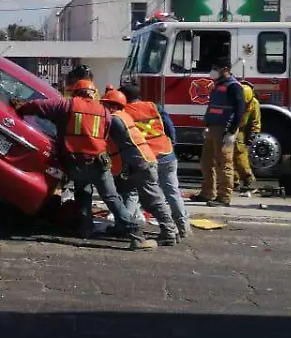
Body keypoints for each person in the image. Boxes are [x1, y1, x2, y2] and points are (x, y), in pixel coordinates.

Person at [14, 80, 155, 250]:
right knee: (112, 199)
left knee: (83, 193)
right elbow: (106, 135)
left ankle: (85, 228)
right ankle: (136, 237)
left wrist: (21, 107)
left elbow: (38, 106)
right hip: (99, 164)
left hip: (75, 163)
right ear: (92, 93)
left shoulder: (65, 105)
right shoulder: (104, 111)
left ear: (76, 92)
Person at [101, 88, 179, 246]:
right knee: (127, 193)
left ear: (114, 106)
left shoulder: (115, 119)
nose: (104, 108)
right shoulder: (122, 116)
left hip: (142, 163)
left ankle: (170, 232)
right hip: (139, 162)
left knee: (152, 201)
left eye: (107, 104)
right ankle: (122, 226)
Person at [120, 84, 190, 238]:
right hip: (166, 153)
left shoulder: (124, 112)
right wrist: (171, 144)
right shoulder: (154, 106)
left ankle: (126, 226)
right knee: (172, 192)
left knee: (133, 192)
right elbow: (170, 127)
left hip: (145, 157)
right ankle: (183, 227)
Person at [193, 58, 246, 207]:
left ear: (225, 69)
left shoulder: (234, 86)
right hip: (213, 128)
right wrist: (207, 124)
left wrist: (232, 131)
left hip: (224, 129)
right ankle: (207, 193)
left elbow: (239, 110)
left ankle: (224, 197)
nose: (212, 71)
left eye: (215, 68)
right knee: (206, 162)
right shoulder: (218, 85)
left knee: (224, 164)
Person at [234, 80, 262, 192]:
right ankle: (234, 181)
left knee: (239, 155)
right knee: (228, 157)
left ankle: (248, 179)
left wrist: (253, 134)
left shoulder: (254, 103)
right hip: (231, 128)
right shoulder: (233, 99)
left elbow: (256, 120)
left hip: (241, 131)